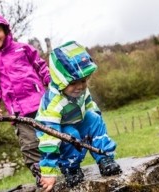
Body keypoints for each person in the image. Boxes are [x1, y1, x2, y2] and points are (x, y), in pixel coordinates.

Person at [0, 10, 51, 186]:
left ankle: (66, 167)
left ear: (5, 29)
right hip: (18, 112)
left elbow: (41, 67)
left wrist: (52, 83)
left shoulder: (23, 49)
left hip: (41, 104)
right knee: (29, 145)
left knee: (51, 138)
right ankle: (41, 176)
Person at [35, 41, 122, 191]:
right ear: (61, 80)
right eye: (73, 82)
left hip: (77, 120)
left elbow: (89, 105)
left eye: (83, 81)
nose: (80, 86)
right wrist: (49, 171)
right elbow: (50, 136)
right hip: (56, 130)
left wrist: (97, 124)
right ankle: (71, 168)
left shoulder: (81, 91)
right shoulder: (54, 103)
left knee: (94, 118)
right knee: (70, 133)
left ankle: (104, 158)